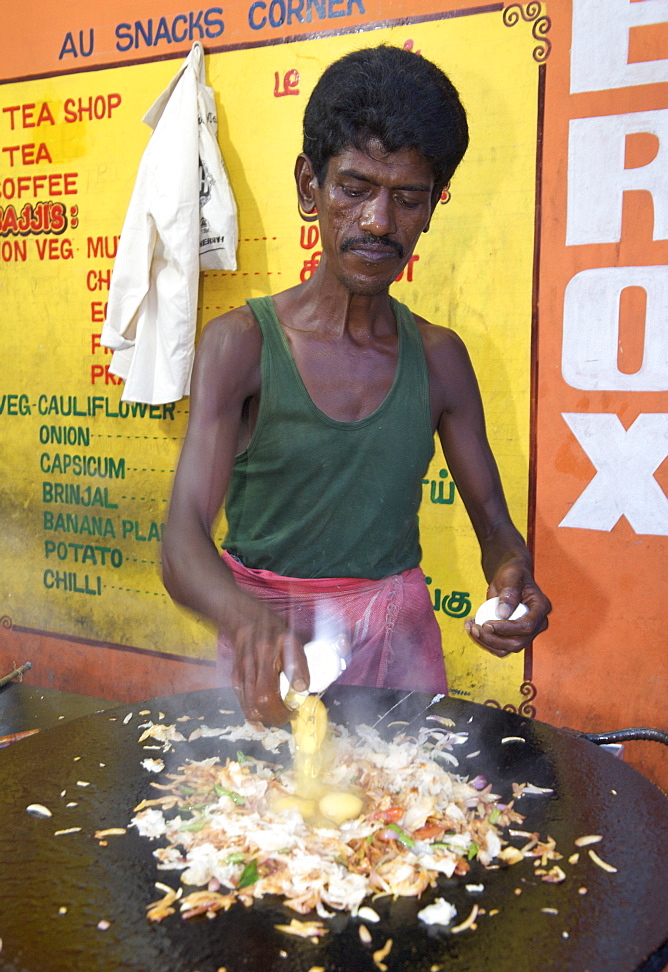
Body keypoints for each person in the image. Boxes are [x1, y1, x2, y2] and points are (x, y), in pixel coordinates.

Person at [162, 44, 551, 727]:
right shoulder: (240, 345)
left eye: (407, 198)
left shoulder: (441, 360)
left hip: (397, 648)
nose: (378, 222)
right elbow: (183, 540)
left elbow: (494, 524)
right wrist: (248, 621)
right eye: (354, 188)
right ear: (309, 186)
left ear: (434, 206)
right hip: (268, 655)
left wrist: (513, 576)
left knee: (412, 810)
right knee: (255, 817)